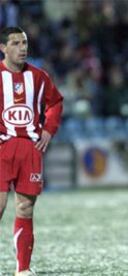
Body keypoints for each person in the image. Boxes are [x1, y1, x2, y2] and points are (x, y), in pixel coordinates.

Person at [0, 26, 63, 276]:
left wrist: (49, 130)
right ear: (3, 48)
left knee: (25, 208)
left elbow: (55, 102)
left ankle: (23, 269)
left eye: (24, 42)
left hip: (30, 149)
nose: (22, 48)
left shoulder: (39, 76)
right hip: (3, 148)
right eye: (15, 43)